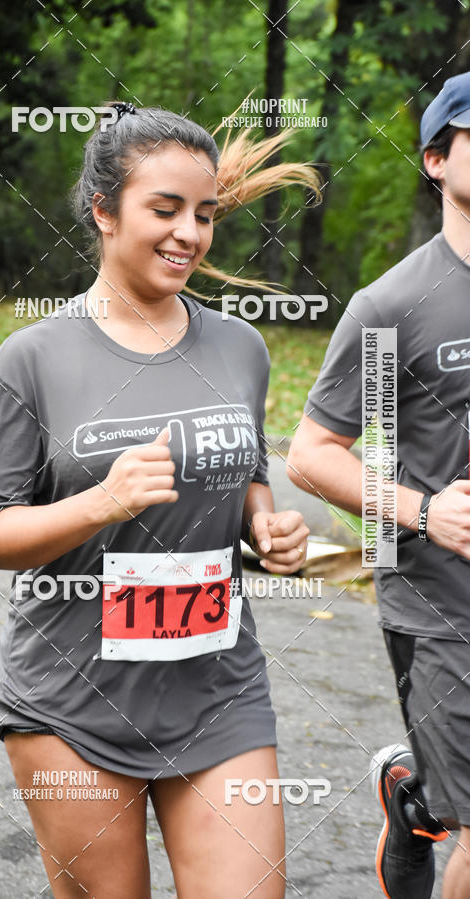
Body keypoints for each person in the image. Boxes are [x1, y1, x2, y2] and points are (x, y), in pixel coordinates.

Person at [0, 101, 319, 898]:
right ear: (102, 211)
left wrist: (267, 526)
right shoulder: (31, 358)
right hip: (72, 701)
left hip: (218, 687)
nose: (188, 234)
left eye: (202, 214)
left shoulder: (241, 346)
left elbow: (244, 471)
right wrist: (102, 501)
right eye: (164, 210)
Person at [287, 71, 470, 899]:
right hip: (442, 603)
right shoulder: (393, 302)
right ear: (436, 159)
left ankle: (416, 789)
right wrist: (425, 511)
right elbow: (313, 452)